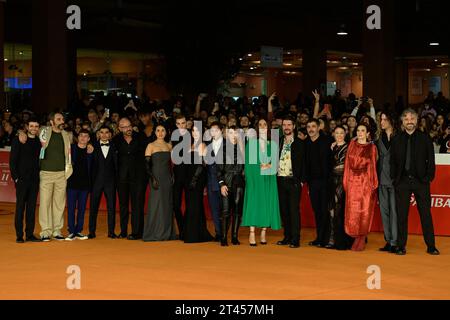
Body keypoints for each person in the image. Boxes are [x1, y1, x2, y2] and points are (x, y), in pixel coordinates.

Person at [390, 109, 440, 256]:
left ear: (417, 120)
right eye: (406, 119)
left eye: (412, 118)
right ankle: (401, 246)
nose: (409, 121)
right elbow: (392, 161)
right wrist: (395, 178)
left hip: (421, 182)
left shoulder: (425, 139)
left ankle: (431, 246)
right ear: (402, 122)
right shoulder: (397, 139)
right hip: (402, 182)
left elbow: (431, 160)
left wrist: (428, 178)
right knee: (401, 215)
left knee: (425, 214)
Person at [242, 117, 281, 246]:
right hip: (255, 178)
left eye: (265, 124)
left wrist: (270, 166)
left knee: (267, 203)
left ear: (268, 127)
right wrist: (260, 168)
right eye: (260, 124)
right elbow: (249, 165)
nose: (263, 126)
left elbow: (276, 163)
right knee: (254, 203)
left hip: (269, 178)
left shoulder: (273, 144)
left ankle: (263, 231)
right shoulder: (252, 143)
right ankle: (252, 232)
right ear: (257, 127)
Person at [34, 112, 73, 241]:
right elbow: (29, 131)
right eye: (59, 119)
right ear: (52, 122)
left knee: (59, 204)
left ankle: (57, 230)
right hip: (46, 173)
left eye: (62, 119)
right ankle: (45, 231)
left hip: (62, 174)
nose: (62, 121)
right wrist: (20, 132)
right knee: (45, 203)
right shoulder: (43, 132)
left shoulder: (66, 135)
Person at [343, 123, 378, 252]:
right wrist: (346, 181)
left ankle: (361, 238)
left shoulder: (372, 147)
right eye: (358, 130)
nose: (360, 133)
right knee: (353, 211)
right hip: (352, 182)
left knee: (364, 211)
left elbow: (373, 166)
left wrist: (372, 184)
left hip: (365, 183)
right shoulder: (351, 145)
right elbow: (347, 164)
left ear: (368, 133)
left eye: (363, 130)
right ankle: (355, 236)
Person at [113, 118, 149, 240]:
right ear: (119, 129)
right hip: (121, 178)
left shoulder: (141, 137)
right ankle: (123, 231)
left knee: (137, 205)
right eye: (124, 127)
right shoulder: (116, 140)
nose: (127, 129)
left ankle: (137, 232)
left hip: (139, 177)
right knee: (123, 205)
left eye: (129, 126)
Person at [10, 117, 42, 243]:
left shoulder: (39, 142)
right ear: (27, 127)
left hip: (34, 181)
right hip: (22, 180)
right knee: (20, 208)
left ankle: (29, 234)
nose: (34, 128)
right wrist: (16, 178)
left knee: (31, 208)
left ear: (38, 128)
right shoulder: (19, 140)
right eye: (32, 126)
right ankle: (19, 235)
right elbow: (12, 161)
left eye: (36, 126)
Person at [143, 124, 177, 241]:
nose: (160, 133)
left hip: (167, 177)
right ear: (155, 132)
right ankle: (154, 232)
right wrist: (152, 178)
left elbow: (172, 164)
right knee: (156, 204)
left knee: (167, 204)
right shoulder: (150, 145)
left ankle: (166, 232)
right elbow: (147, 166)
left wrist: (173, 175)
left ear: (166, 132)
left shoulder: (169, 146)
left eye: (163, 130)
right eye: (158, 130)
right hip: (156, 177)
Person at [276, 116, 306, 249]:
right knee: (284, 210)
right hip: (280, 180)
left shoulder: (300, 143)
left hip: (294, 181)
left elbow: (305, 163)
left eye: (289, 124)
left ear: (294, 126)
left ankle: (295, 238)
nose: (286, 127)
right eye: (284, 125)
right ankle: (287, 236)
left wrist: (301, 181)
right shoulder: (279, 142)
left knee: (294, 210)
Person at [183, 123, 214, 243]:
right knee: (192, 205)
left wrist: (194, 180)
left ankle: (194, 235)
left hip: (197, 179)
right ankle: (195, 232)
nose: (195, 133)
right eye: (193, 131)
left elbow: (203, 165)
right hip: (189, 179)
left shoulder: (202, 146)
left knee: (194, 205)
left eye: (197, 131)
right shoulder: (189, 145)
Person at [216, 126, 245, 246]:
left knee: (238, 211)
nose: (233, 135)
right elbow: (218, 171)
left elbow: (245, 164)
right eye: (231, 133)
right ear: (226, 135)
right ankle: (223, 237)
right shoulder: (222, 150)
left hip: (239, 182)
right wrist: (222, 184)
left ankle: (234, 236)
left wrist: (241, 144)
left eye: (236, 133)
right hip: (226, 183)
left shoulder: (242, 149)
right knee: (226, 211)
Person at [305, 118, 332, 247]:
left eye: (313, 126)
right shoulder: (306, 144)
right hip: (313, 183)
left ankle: (325, 239)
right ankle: (319, 238)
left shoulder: (327, 141)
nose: (311, 129)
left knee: (325, 211)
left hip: (326, 182)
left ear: (318, 128)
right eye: (308, 127)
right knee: (317, 211)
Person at [88, 125, 118, 239]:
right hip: (96, 182)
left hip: (111, 182)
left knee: (111, 208)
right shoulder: (92, 147)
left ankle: (111, 232)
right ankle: (92, 232)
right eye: (102, 132)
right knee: (93, 207)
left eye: (106, 132)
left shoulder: (115, 147)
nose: (104, 134)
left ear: (110, 134)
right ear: (98, 134)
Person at [326, 126, 353, 250]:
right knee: (331, 210)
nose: (339, 135)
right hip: (331, 181)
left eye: (341, 133)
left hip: (343, 181)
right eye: (337, 133)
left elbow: (343, 166)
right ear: (333, 134)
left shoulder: (349, 147)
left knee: (339, 210)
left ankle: (341, 241)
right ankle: (332, 239)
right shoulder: (331, 147)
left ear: (345, 134)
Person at [376, 112, 398, 253]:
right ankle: (388, 241)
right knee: (384, 212)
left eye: (385, 119)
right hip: (381, 179)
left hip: (395, 180)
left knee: (394, 212)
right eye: (381, 119)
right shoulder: (379, 137)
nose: (382, 122)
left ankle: (395, 242)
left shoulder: (399, 137)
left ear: (391, 121)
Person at [66, 129, 93, 241]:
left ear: (88, 139)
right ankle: (71, 231)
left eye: (85, 136)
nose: (83, 138)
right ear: (78, 137)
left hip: (85, 185)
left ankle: (79, 231)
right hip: (72, 184)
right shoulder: (71, 148)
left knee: (82, 209)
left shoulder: (91, 151)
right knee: (71, 209)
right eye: (81, 135)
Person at [171, 114, 190, 239]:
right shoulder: (174, 137)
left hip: (189, 175)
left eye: (183, 123)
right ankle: (182, 229)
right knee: (176, 205)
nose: (181, 126)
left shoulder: (193, 136)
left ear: (186, 123)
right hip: (177, 175)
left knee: (190, 205)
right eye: (178, 123)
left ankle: (187, 231)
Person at [205, 122, 225, 241]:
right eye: (211, 130)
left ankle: (223, 232)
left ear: (221, 130)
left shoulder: (228, 144)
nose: (213, 133)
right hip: (211, 181)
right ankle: (218, 232)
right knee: (214, 209)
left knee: (225, 209)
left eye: (216, 130)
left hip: (224, 182)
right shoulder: (207, 145)